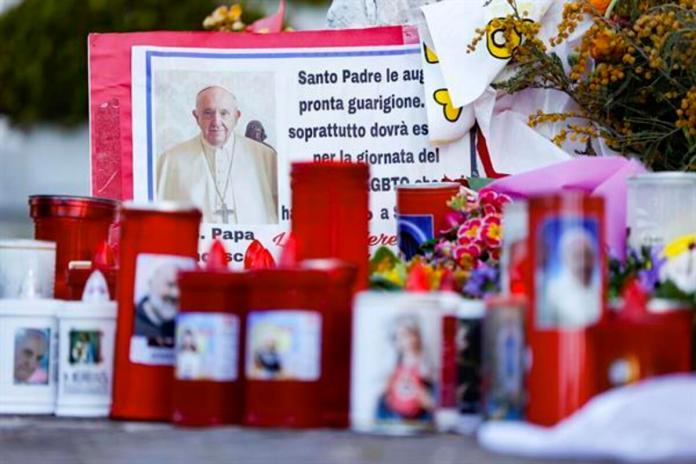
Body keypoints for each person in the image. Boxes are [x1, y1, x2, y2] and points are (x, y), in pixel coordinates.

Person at [157, 86, 278, 225]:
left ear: (236, 116)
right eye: (208, 113)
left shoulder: (266, 157)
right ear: (196, 117)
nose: (216, 121)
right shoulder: (170, 160)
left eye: (224, 113)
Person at [377, 315, 435, 421]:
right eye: (402, 336)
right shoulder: (393, 369)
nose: (408, 340)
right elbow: (382, 401)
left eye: (411, 334)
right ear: (396, 341)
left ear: (418, 337)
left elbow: (434, 403)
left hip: (421, 420)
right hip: (393, 418)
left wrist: (429, 402)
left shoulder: (427, 368)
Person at [542, 227, 601, 328]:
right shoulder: (552, 291)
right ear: (565, 259)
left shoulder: (600, 289)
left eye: (587, 256)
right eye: (577, 256)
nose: (583, 263)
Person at [134, 262, 180, 346]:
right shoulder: (131, 322)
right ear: (151, 283)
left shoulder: (181, 325)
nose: (176, 293)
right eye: (170, 285)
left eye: (180, 286)